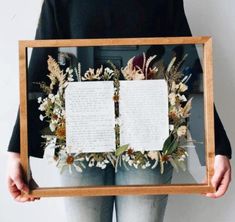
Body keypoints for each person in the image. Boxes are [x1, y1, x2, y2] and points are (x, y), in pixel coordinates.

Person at [7, 0, 232, 221]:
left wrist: (215, 148)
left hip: (147, 141)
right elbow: (39, 69)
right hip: (80, 140)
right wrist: (18, 151)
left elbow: (186, 67)